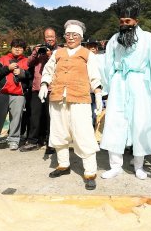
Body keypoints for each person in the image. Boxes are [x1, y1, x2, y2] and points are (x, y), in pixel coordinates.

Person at [100, 0, 151, 180]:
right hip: (120, 83)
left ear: (135, 20)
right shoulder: (114, 39)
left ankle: (139, 165)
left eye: (128, 21)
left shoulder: (146, 38)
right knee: (115, 122)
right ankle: (115, 165)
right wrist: (105, 87)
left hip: (139, 84)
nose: (124, 25)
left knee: (141, 123)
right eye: (122, 21)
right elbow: (107, 65)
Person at [39, 20, 103, 190]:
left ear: (80, 37)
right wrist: (44, 84)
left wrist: (97, 93)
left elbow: (94, 74)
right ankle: (63, 165)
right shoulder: (58, 53)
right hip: (58, 97)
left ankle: (90, 172)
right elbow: (48, 69)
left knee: (83, 134)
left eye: (75, 35)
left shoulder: (87, 54)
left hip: (79, 98)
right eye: (68, 35)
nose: (71, 38)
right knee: (59, 132)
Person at [0, 38, 29, 151]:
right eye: (15, 47)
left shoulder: (27, 61)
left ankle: (14, 140)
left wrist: (22, 73)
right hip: (2, 93)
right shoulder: (3, 59)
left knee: (16, 119)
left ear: (24, 50)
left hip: (19, 94)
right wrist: (8, 68)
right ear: (11, 48)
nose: (18, 49)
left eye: (20, 48)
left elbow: (30, 76)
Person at [20, 27, 58, 153]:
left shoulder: (60, 50)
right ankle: (33, 141)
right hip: (37, 87)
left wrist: (50, 55)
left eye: (52, 37)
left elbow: (61, 64)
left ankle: (50, 143)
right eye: (47, 37)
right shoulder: (38, 50)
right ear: (44, 38)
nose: (50, 39)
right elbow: (28, 63)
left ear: (56, 38)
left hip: (52, 88)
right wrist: (35, 52)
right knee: (35, 116)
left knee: (50, 116)